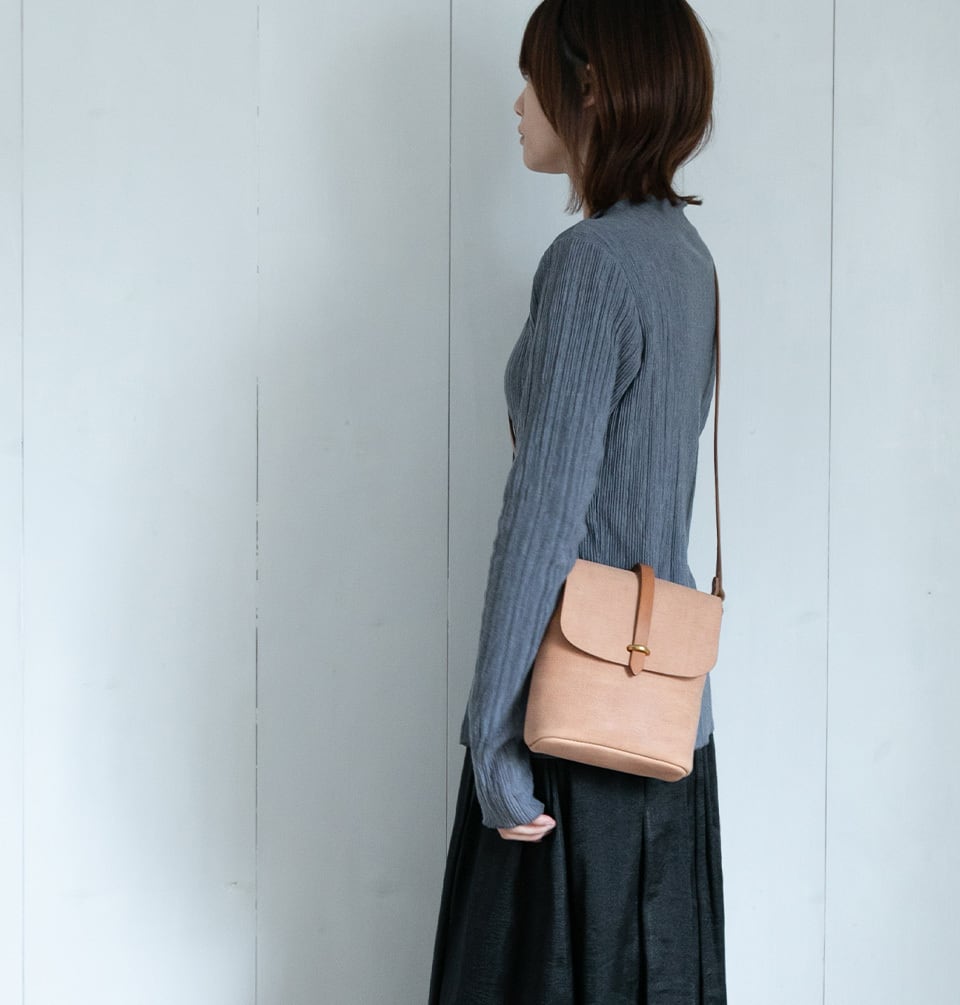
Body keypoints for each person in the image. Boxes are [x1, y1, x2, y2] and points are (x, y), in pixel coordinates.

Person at [429, 0, 726, 1001]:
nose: (518, 103)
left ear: (589, 87)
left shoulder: (590, 265)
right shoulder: (686, 258)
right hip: (665, 723)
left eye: (534, 78)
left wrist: (490, 738)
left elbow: (544, 519)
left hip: (567, 725)